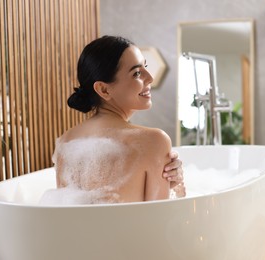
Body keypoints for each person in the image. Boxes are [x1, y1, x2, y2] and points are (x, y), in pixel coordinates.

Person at [43, 36, 185, 204]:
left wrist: (172, 184)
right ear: (103, 89)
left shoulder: (66, 141)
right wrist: (177, 186)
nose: (150, 78)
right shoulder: (154, 141)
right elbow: (161, 220)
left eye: (145, 67)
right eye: (137, 73)